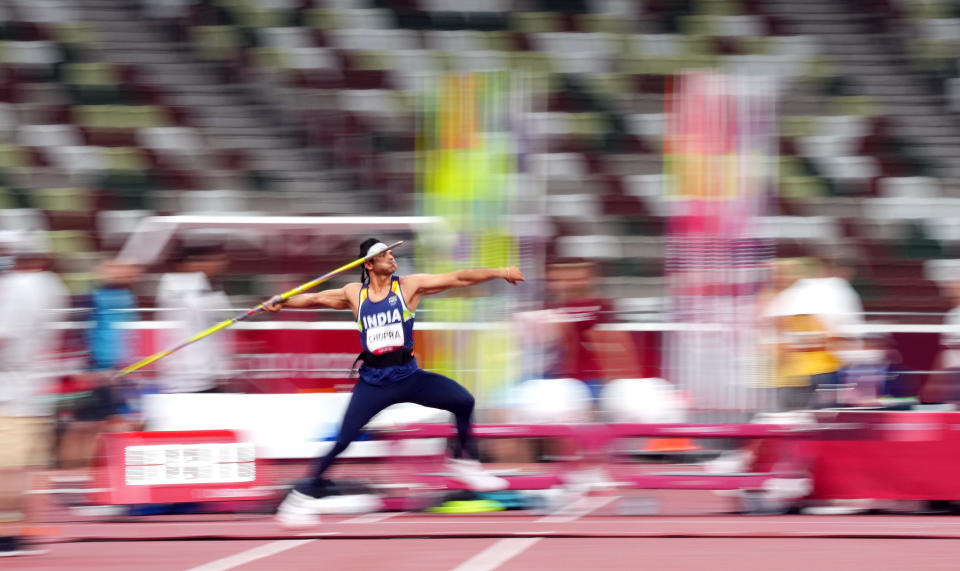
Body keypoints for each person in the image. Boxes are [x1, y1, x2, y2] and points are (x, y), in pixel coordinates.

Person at [267, 238, 524, 525]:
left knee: (463, 401)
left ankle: (465, 464)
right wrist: (282, 301)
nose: (392, 258)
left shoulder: (408, 287)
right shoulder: (355, 294)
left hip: (408, 376)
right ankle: (299, 498)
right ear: (368, 264)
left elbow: (458, 278)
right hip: (374, 383)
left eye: (392, 253)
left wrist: (499, 271)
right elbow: (315, 298)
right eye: (384, 255)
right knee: (342, 441)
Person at [0, 231, 69, 556]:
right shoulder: (53, 285)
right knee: (28, 467)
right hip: (38, 389)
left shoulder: (17, 288)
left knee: (7, 467)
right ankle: (23, 531)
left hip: (10, 389)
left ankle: (7, 534)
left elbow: (4, 336)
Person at [155, 243, 232, 394]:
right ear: (189, 264)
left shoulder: (206, 288)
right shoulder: (176, 287)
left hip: (207, 372)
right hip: (186, 374)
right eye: (210, 260)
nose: (216, 265)